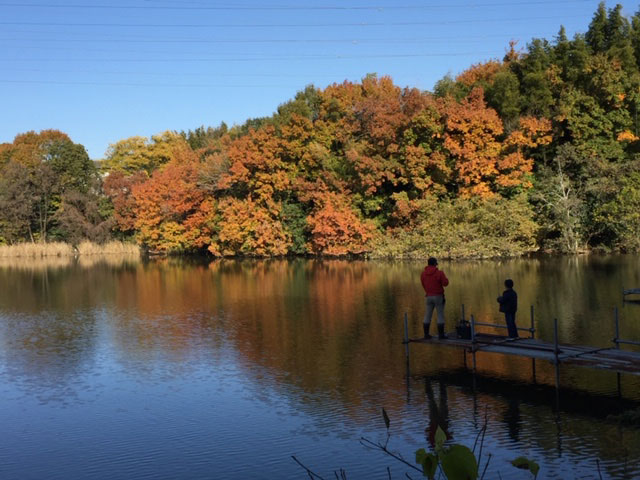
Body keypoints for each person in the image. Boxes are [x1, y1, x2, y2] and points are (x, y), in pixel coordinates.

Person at [420, 257, 449, 339]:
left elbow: (423, 284)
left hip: (428, 296)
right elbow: (445, 283)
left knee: (427, 315)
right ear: (434, 264)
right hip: (438, 296)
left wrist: (428, 292)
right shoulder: (439, 273)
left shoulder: (423, 274)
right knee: (440, 315)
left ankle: (426, 334)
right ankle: (441, 335)